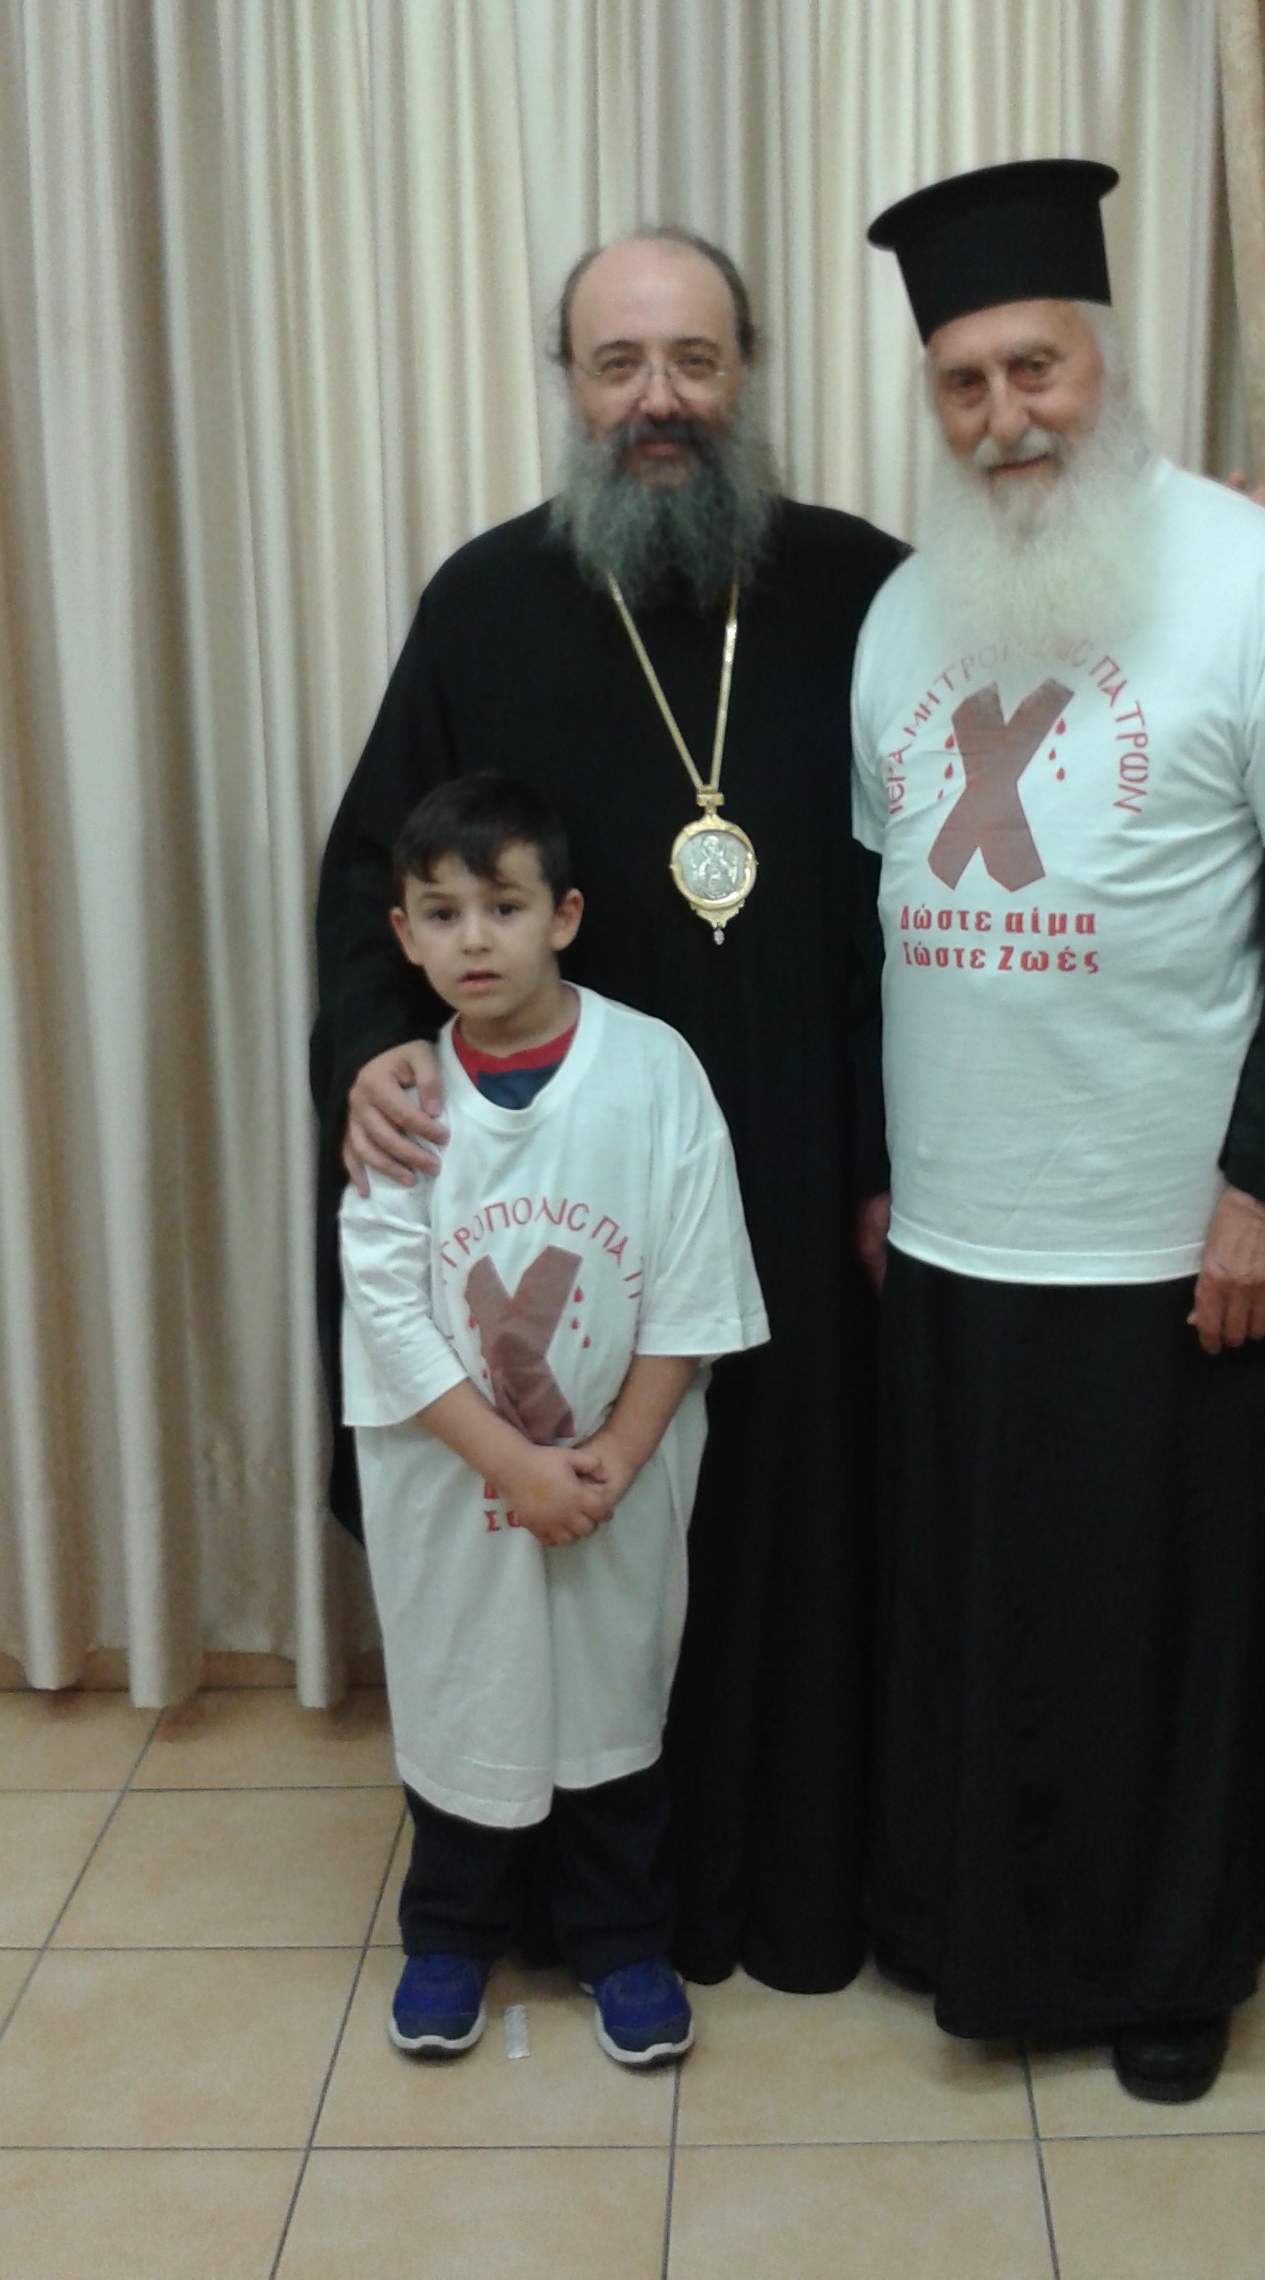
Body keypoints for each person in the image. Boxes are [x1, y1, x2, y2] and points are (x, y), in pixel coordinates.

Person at [313, 229, 907, 1994]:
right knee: (557, 1538)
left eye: (695, 361)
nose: (660, 400)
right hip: (551, 1170)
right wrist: (370, 1052)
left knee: (774, 1521)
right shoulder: (484, 602)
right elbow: (374, 870)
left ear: (748, 372)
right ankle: (521, 1894)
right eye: (619, 364)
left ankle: (778, 1879)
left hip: (805, 1153)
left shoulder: (864, 587)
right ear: (567, 383)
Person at [853, 160, 1265, 2102]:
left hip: (1178, 1232)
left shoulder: (1260, 576)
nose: (1005, 416)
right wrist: (877, 1177)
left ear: (1104, 361)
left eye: (1036, 367)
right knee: (990, 1609)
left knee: (1170, 1627)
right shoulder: (902, 611)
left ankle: (1175, 1961)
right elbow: (865, 912)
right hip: (962, 1224)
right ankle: (982, 1934)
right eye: (964, 383)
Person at [339, 773, 767, 2066]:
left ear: (565, 916)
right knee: (464, 1687)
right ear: (403, 935)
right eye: (442, 914)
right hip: (453, 1474)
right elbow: (384, 1305)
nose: (475, 940)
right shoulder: (407, 1099)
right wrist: (510, 1466)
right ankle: (449, 1933)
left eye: (504, 907)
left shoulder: (652, 1071)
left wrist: (613, 1458)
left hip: (615, 1476)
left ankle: (622, 1938)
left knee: (611, 1694)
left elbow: (693, 1285)